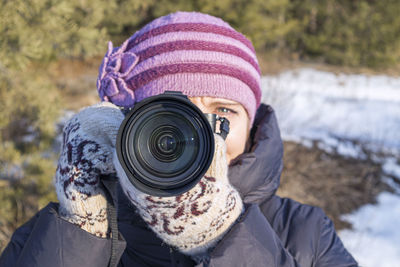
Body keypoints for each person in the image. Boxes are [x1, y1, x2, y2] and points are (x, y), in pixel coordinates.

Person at [0, 11, 358, 267]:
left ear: (251, 125)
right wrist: (83, 224)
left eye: (224, 111)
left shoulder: (305, 234)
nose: (199, 131)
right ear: (126, 123)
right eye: (175, 113)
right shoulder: (65, 225)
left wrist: (219, 230)